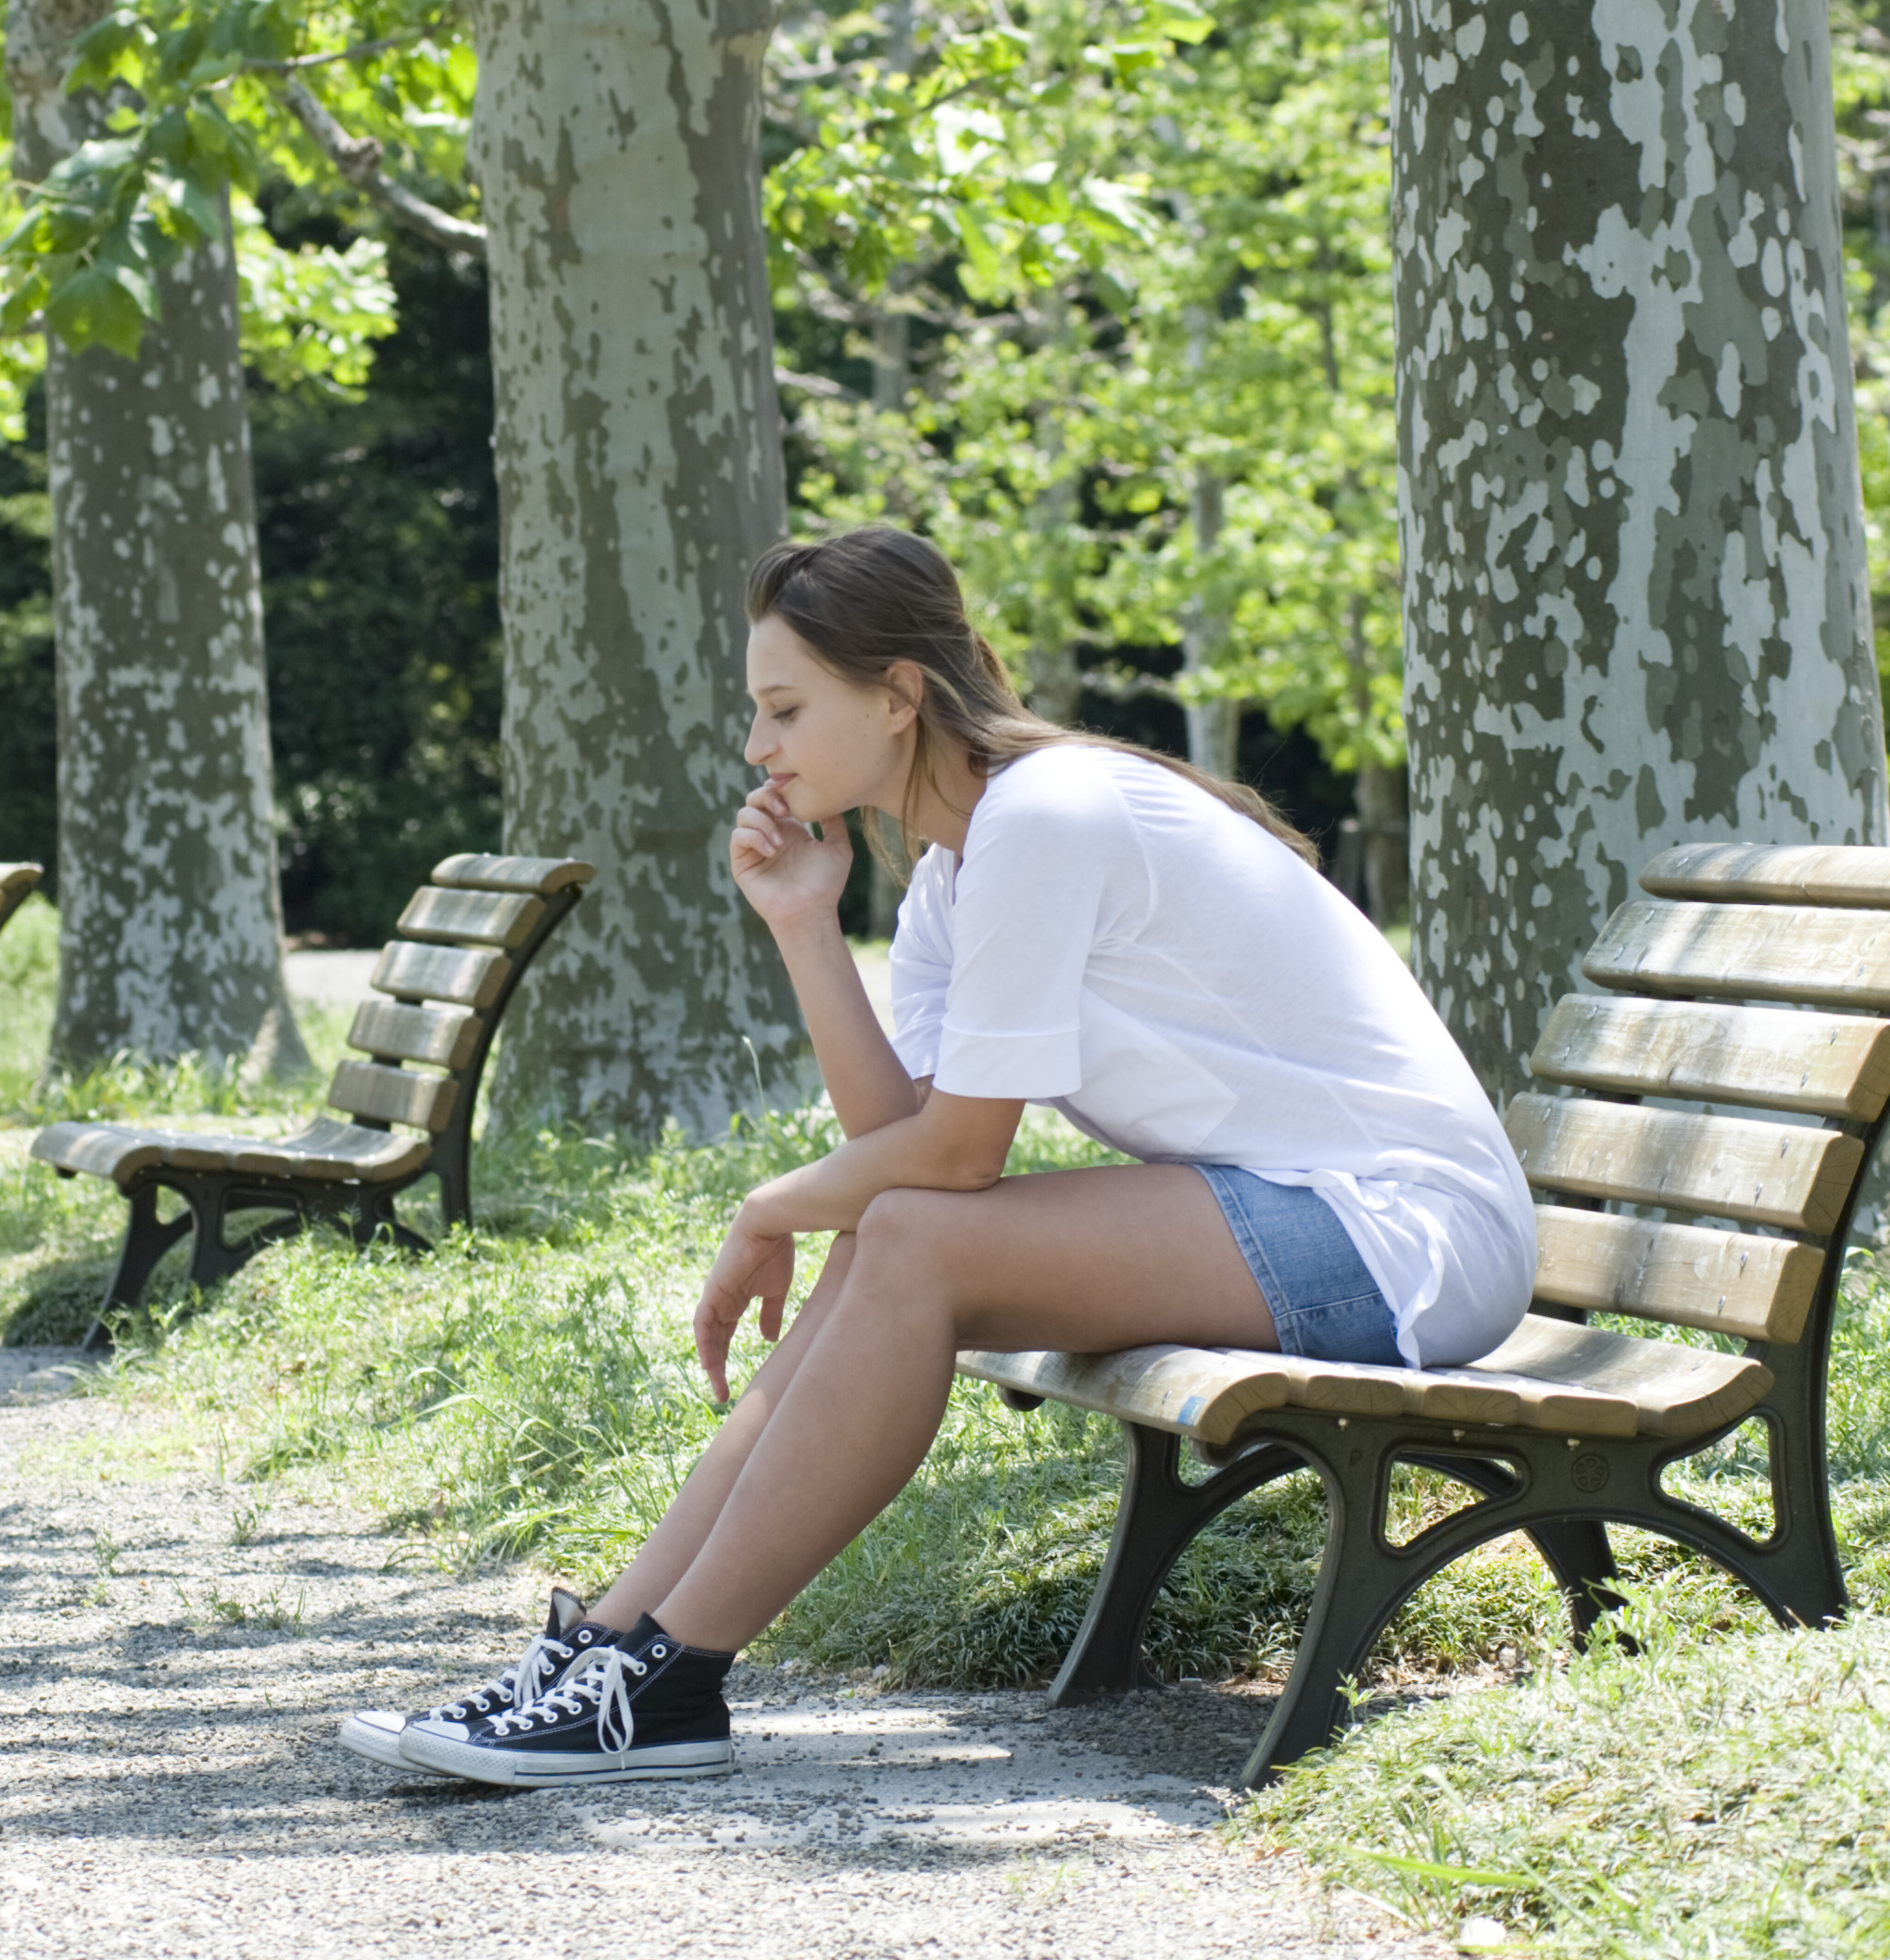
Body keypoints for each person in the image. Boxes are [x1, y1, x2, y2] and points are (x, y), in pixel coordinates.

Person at [339, 526, 1531, 1788]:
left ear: (898, 696)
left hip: (1405, 1236)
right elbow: (903, 1150)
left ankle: (667, 1673)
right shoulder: (953, 879)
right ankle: (621, 1644)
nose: (759, 747)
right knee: (889, 1235)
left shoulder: (1048, 815)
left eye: (786, 707)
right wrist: (805, 924)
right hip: (1295, 1216)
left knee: (905, 1236)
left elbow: (955, 1163)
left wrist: (765, 1207)